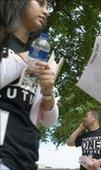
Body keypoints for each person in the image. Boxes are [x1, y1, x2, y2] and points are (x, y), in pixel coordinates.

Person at [0, 0, 59, 169]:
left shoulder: (43, 58)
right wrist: (27, 57)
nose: (46, 11)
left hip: (26, 155)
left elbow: (49, 120)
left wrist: (48, 92)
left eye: (47, 7)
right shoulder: (24, 52)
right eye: (40, 3)